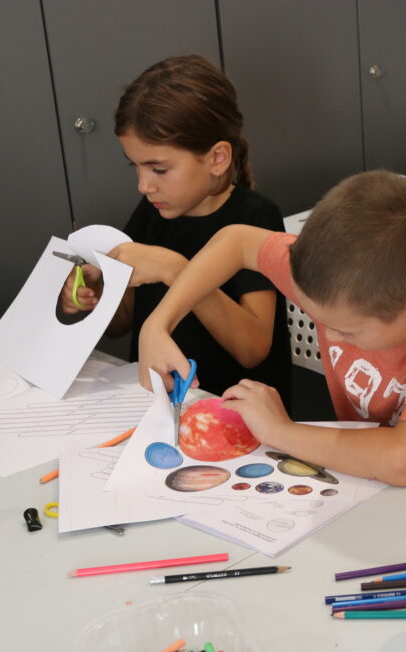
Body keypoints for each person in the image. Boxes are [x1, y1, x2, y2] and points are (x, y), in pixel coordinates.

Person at [135, 170, 406, 514]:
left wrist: (280, 431)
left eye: (347, 331)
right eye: (321, 321)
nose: (329, 337)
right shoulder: (341, 273)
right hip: (374, 493)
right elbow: (236, 241)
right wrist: (157, 325)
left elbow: (405, 459)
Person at [58, 55, 291, 403]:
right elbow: (123, 321)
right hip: (162, 408)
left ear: (217, 158)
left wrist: (173, 269)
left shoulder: (254, 217)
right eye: (135, 167)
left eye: (159, 169)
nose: (143, 185)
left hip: (234, 414)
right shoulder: (152, 212)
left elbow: (252, 349)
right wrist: (94, 295)